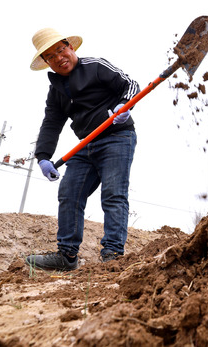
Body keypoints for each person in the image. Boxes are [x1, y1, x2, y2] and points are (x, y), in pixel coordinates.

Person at [25, 28, 140, 271]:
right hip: (85, 144)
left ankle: (113, 255)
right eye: (50, 56)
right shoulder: (56, 89)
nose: (59, 57)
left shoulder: (96, 66)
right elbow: (52, 122)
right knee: (69, 193)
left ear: (71, 47)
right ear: (46, 62)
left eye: (61, 49)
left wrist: (122, 107)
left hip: (117, 137)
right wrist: (43, 157)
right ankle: (66, 256)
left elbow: (130, 84)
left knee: (113, 194)